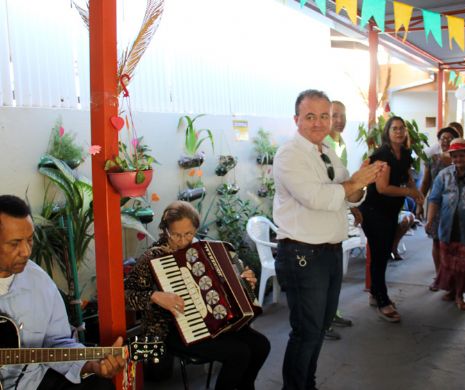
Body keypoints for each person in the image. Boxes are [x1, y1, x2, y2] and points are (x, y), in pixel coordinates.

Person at [273, 89, 384, 390]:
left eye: (325, 116)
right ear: (296, 119)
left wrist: (362, 183)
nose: (319, 122)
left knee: (319, 328)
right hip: (302, 255)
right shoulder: (289, 154)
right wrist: (356, 183)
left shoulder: (327, 152)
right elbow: (317, 197)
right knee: (306, 331)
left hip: (329, 253)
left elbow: (350, 195)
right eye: (310, 116)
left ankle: (307, 383)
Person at [124, 200, 270, 390]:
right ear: (165, 230)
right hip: (173, 330)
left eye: (188, 234)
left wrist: (246, 282)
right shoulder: (154, 257)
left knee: (261, 346)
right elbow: (126, 295)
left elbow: (231, 284)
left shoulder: (207, 251)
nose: (183, 241)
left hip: (216, 322)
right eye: (175, 235)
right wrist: (154, 296)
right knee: (239, 353)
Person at [0, 195, 125, 390]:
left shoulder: (40, 283)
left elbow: (58, 344)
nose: (26, 251)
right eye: (15, 243)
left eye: (30, 240)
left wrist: (91, 365)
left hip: (32, 383)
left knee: (100, 385)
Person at [359, 116, 424, 323]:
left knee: (382, 252)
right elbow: (382, 188)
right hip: (373, 210)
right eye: (394, 128)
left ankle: (375, 294)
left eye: (402, 128)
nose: (399, 132)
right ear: (387, 132)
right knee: (380, 255)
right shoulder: (382, 156)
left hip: (389, 211)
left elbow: (406, 174)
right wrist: (409, 193)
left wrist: (415, 189)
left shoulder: (404, 153)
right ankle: (382, 300)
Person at [426, 138, 465, 311]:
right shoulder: (444, 174)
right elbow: (434, 199)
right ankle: (452, 290)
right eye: (454, 156)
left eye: (462, 156)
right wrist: (430, 220)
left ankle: (459, 296)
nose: (458, 160)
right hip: (448, 227)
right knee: (448, 263)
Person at [323, 100, 353, 340]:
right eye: (335, 116)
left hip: (339, 212)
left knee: (334, 273)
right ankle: (323, 322)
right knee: (324, 277)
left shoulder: (341, 143)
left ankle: (332, 313)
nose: (339, 120)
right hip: (324, 216)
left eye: (342, 115)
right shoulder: (324, 145)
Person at [417, 127, 460, 290]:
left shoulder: (460, 160)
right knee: (436, 242)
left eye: (449, 138)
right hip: (436, 206)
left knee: (453, 244)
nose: (445, 141)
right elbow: (426, 183)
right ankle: (439, 277)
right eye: (442, 138)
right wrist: (420, 204)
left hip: (455, 207)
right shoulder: (433, 159)